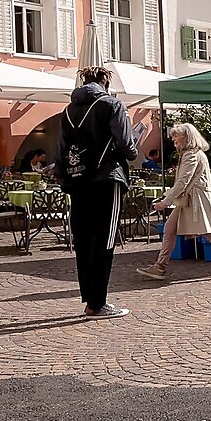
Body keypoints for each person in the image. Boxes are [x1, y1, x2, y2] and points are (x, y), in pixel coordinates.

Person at [56, 66, 140, 317]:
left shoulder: (68, 110)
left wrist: (62, 174)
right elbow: (126, 146)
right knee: (105, 239)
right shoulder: (112, 105)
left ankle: (90, 300)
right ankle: (98, 303)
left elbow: (61, 148)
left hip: (77, 180)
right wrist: (133, 149)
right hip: (107, 177)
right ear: (105, 82)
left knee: (83, 240)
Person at [150, 122, 211, 281]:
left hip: (197, 200)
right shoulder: (192, 154)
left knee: (210, 232)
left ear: (187, 137)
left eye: (176, 135)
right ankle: (160, 266)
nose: (173, 139)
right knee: (170, 229)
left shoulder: (191, 154)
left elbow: (183, 181)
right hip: (190, 200)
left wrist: (166, 201)